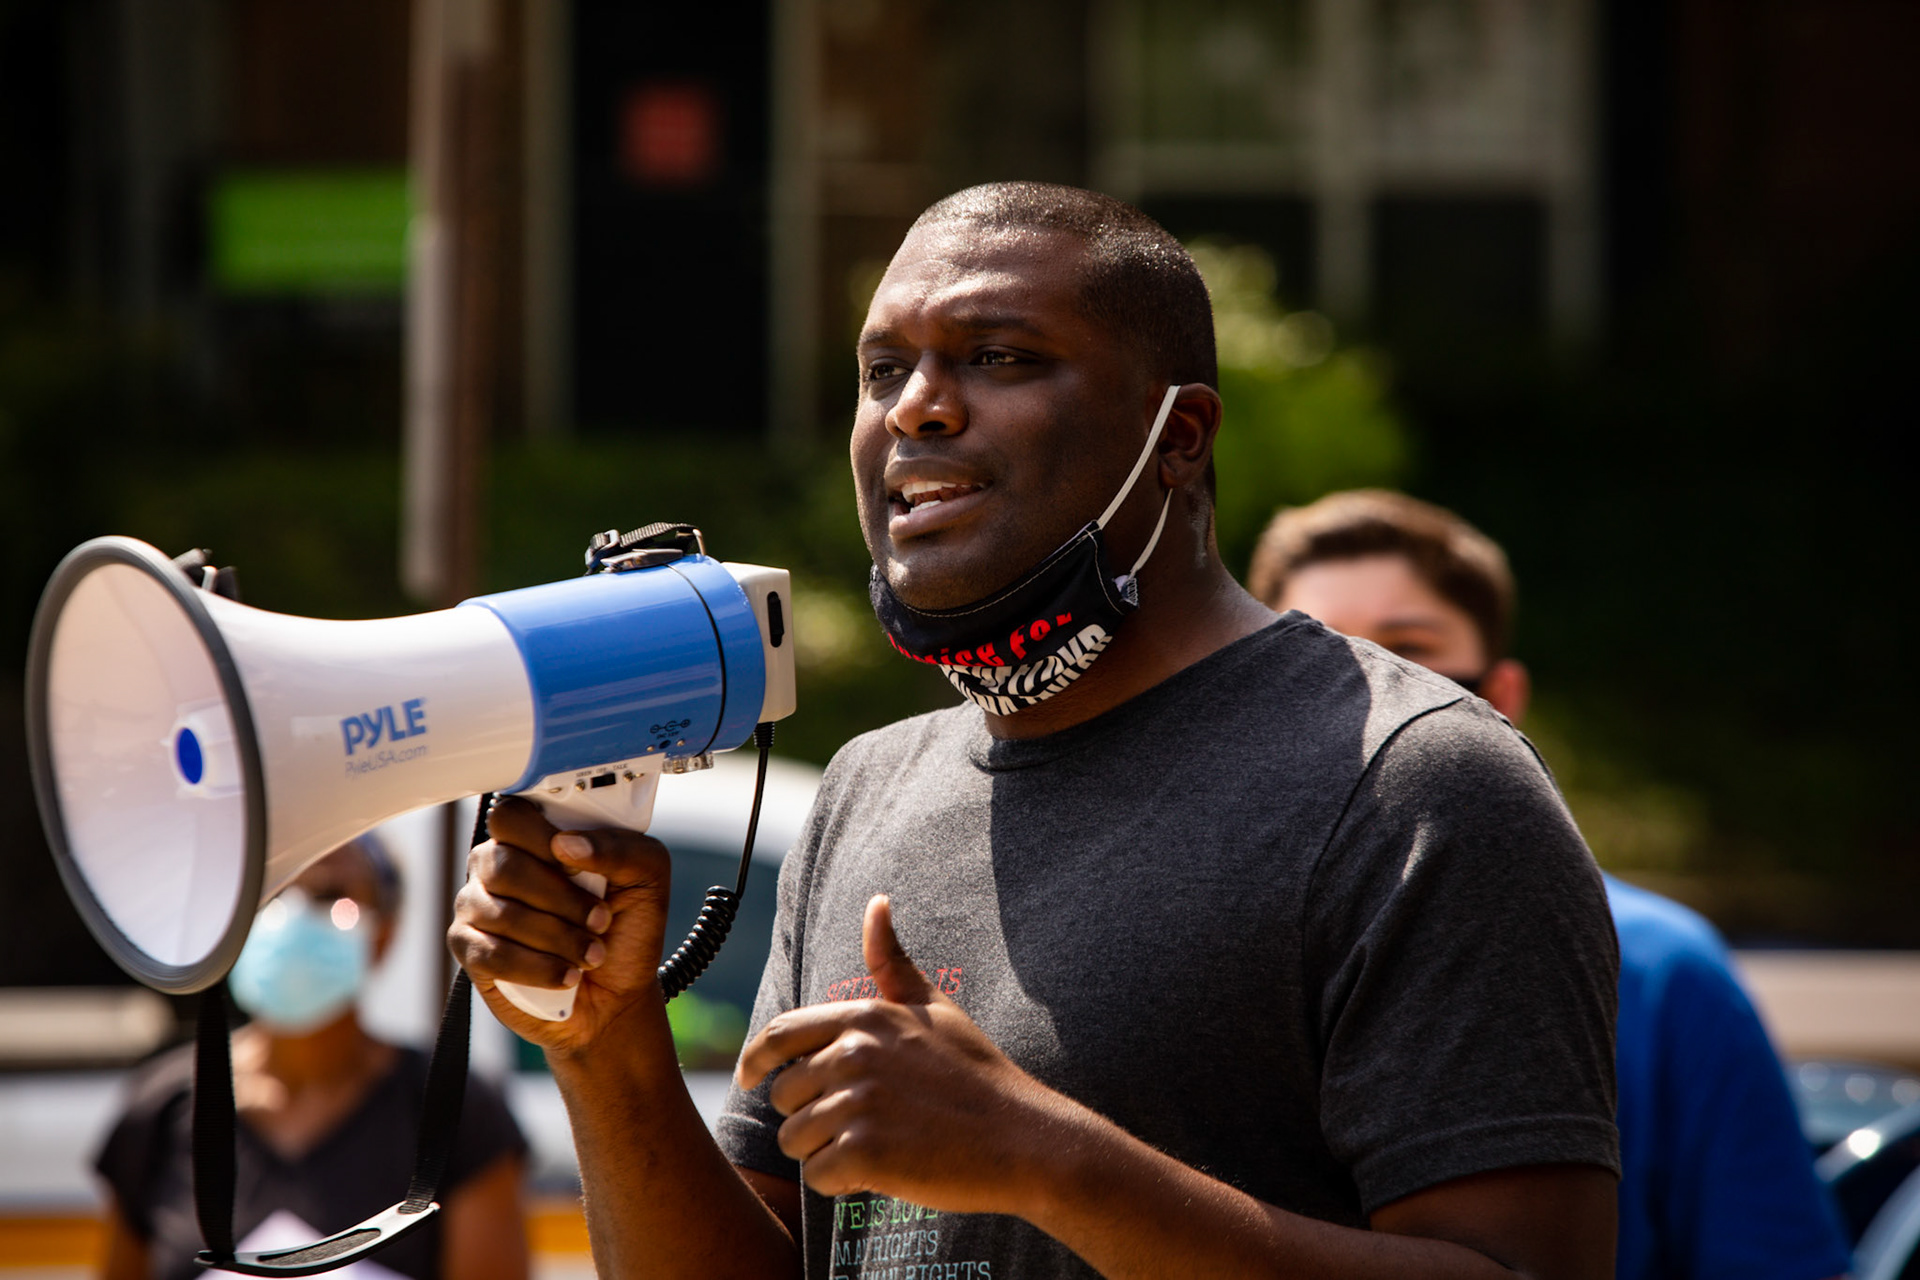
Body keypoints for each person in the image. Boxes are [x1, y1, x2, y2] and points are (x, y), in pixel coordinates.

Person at [451, 182, 1622, 1278]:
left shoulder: (1415, 780)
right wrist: (607, 1047)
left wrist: (1042, 1158)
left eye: (999, 356)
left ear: (1181, 436)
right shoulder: (867, 786)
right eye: (882, 369)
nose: (917, 406)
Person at [1247, 488, 1853, 1280]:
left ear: (1501, 699)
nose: (1362, 694)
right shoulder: (1209, 954)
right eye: (1320, 652)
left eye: (1408, 651)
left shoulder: (1663, 972)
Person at [95, 835, 531, 1280]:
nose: (294, 916)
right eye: (271, 895)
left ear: (384, 933)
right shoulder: (161, 1109)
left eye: (329, 896)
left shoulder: (453, 1108)